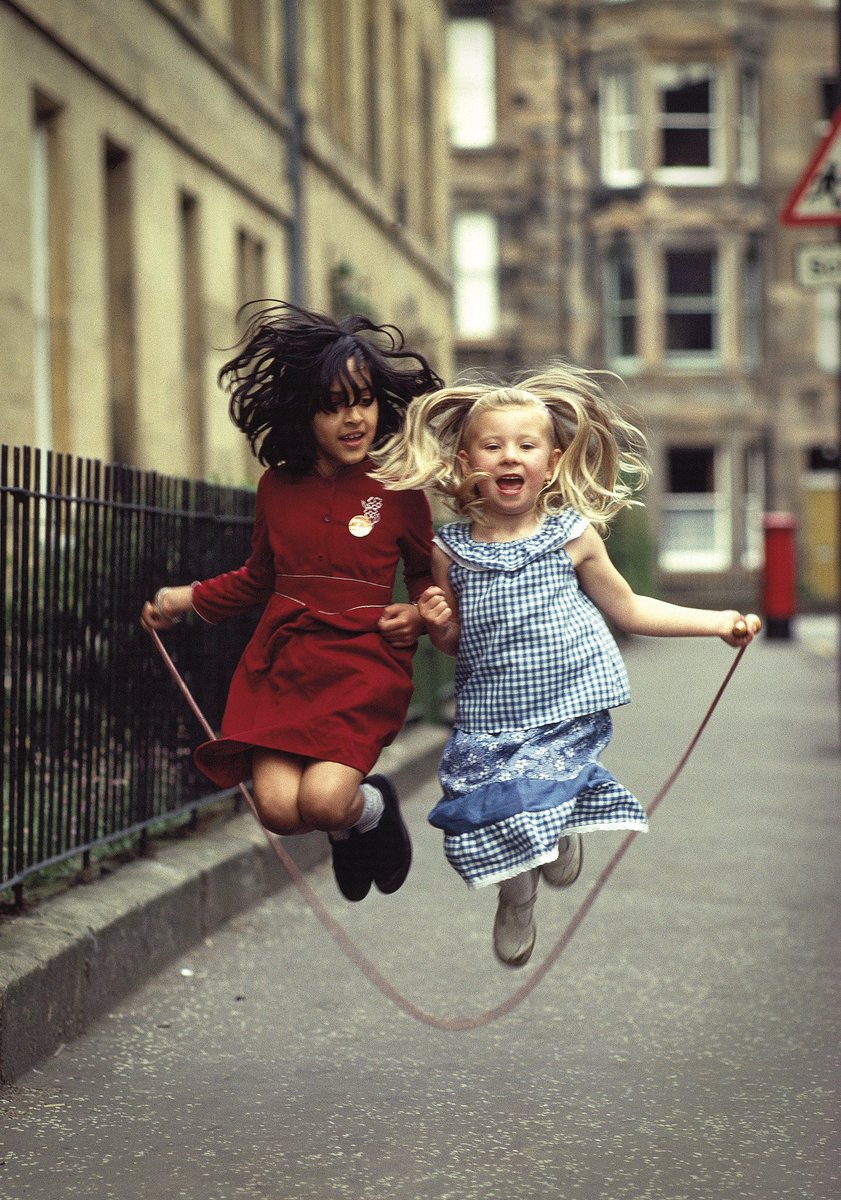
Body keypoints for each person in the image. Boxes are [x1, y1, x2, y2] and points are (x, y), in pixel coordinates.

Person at [370, 363, 760, 967]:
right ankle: (518, 898)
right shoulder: (449, 550)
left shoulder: (572, 536)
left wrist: (716, 624)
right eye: (492, 445)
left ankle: (548, 838)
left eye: (526, 445)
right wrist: (438, 620)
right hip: (490, 711)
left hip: (566, 703)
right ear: (465, 462)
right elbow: (453, 644)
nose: (510, 457)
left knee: (529, 804)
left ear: (550, 463)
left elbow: (627, 608)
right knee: (492, 814)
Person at [141, 301, 444, 903]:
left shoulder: (399, 488)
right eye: (331, 407)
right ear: (303, 416)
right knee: (279, 810)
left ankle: (368, 809)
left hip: (362, 665)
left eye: (362, 400)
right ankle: (348, 828)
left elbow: (424, 576)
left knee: (326, 799)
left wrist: (419, 614)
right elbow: (257, 579)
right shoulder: (277, 487)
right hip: (282, 666)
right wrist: (184, 598)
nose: (351, 418)